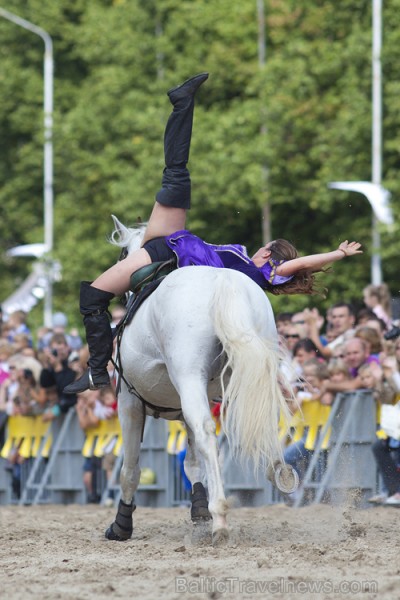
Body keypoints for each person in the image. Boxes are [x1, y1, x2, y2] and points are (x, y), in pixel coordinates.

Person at [64, 72, 362, 396]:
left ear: (270, 256)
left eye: (266, 248)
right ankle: (182, 104)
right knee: (175, 173)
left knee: (93, 297)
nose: (260, 249)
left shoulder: (264, 272)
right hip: (173, 241)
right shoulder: (246, 272)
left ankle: (97, 369)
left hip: (171, 250)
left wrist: (337, 254)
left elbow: (300, 264)